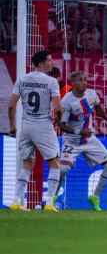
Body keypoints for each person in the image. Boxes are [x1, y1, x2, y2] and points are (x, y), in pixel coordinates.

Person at [8, 50, 62, 212]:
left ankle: (17, 200)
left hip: (25, 125)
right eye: (49, 60)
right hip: (43, 125)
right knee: (55, 162)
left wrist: (12, 126)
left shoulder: (22, 79)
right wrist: (59, 121)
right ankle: (50, 202)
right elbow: (58, 107)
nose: (52, 63)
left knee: (27, 163)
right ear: (40, 64)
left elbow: (11, 105)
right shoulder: (51, 82)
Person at [57, 71, 107, 211]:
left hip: (89, 139)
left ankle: (95, 197)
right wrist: (79, 131)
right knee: (63, 170)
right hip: (72, 141)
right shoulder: (66, 101)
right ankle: (52, 198)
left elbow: (98, 109)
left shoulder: (91, 94)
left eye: (85, 80)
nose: (84, 83)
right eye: (80, 80)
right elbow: (61, 125)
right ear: (73, 83)